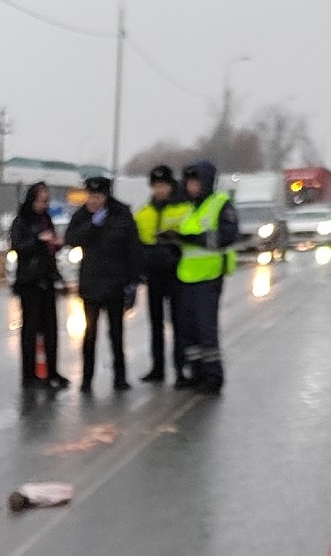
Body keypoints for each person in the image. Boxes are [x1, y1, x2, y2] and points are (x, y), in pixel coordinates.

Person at [63, 174, 141, 395]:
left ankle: (120, 377)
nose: (93, 201)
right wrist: (92, 225)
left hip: (116, 283)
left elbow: (133, 249)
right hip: (91, 284)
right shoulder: (83, 216)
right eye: (90, 196)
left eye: (97, 197)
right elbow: (71, 239)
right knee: (90, 335)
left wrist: (133, 282)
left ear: (106, 196)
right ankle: (87, 379)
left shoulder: (121, 215)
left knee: (116, 334)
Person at [171, 160, 240, 394]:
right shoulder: (191, 208)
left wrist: (194, 239)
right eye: (189, 183)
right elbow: (187, 242)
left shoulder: (220, 204)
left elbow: (227, 236)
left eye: (195, 182)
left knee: (206, 329)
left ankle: (213, 376)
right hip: (187, 276)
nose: (191, 187)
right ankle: (196, 372)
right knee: (188, 330)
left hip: (209, 276)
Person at [10, 182, 67, 389]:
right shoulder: (22, 221)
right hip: (30, 282)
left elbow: (49, 246)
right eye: (41, 200)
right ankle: (29, 374)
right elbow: (18, 246)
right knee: (31, 329)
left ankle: (52, 371)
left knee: (50, 329)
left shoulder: (46, 219)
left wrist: (55, 244)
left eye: (46, 201)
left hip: (47, 278)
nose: (44, 204)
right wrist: (38, 240)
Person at [134, 164, 183, 383]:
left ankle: (181, 367)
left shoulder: (182, 210)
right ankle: (158, 368)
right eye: (156, 186)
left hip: (177, 273)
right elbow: (136, 245)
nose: (160, 190)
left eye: (163, 185)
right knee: (155, 324)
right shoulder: (144, 214)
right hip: (154, 275)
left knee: (179, 323)